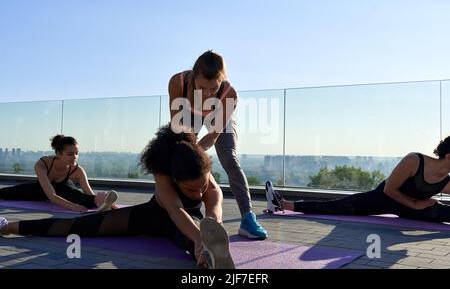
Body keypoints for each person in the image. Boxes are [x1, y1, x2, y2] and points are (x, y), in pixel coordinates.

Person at [0, 124, 235, 269]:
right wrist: (198, 236)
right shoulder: (163, 173)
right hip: (153, 216)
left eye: (201, 187)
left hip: (187, 222)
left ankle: (212, 259)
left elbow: (214, 193)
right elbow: (175, 209)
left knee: (196, 246)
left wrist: (213, 223)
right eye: (191, 190)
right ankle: (9, 226)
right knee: (77, 226)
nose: (199, 193)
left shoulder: (201, 166)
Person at [168, 50, 267, 240]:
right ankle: (179, 211)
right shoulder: (178, 83)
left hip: (219, 114)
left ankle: (248, 219)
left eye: (213, 89)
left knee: (230, 159)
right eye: (201, 88)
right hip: (190, 113)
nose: (207, 94)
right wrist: (184, 149)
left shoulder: (230, 94)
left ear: (222, 80)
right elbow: (177, 126)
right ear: (193, 76)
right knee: (179, 150)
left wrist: (196, 152)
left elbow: (212, 138)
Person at [266, 136, 450, 223]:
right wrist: (415, 204)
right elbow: (389, 190)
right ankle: (282, 204)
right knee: (339, 207)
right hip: (383, 199)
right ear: (448, 156)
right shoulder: (414, 160)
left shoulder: (446, 180)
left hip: (410, 208)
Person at [0, 135, 117, 212]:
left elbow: (88, 192)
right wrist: (74, 207)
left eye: (77, 153)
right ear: (59, 154)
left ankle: (101, 202)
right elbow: (51, 196)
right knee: (12, 192)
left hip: (64, 190)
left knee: (75, 195)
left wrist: (106, 204)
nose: (75, 157)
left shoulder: (78, 170)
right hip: (43, 189)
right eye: (70, 154)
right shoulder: (42, 164)